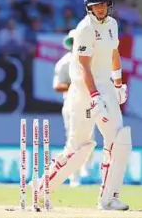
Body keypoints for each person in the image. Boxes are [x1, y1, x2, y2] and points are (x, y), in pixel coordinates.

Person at [39, 0, 131, 210]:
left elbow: (114, 53)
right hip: (83, 92)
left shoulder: (112, 24)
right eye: (95, 5)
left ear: (109, 4)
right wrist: (94, 95)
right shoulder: (84, 29)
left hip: (106, 88)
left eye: (103, 4)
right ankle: (41, 190)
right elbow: (83, 66)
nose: (100, 9)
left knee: (120, 139)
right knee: (79, 149)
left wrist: (118, 84)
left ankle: (108, 199)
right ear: (89, 7)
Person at [53, 29, 91, 187]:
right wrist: (73, 85)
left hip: (88, 103)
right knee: (72, 139)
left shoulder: (90, 61)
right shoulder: (64, 63)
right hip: (71, 103)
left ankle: (84, 167)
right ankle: (74, 177)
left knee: (90, 138)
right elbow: (57, 86)